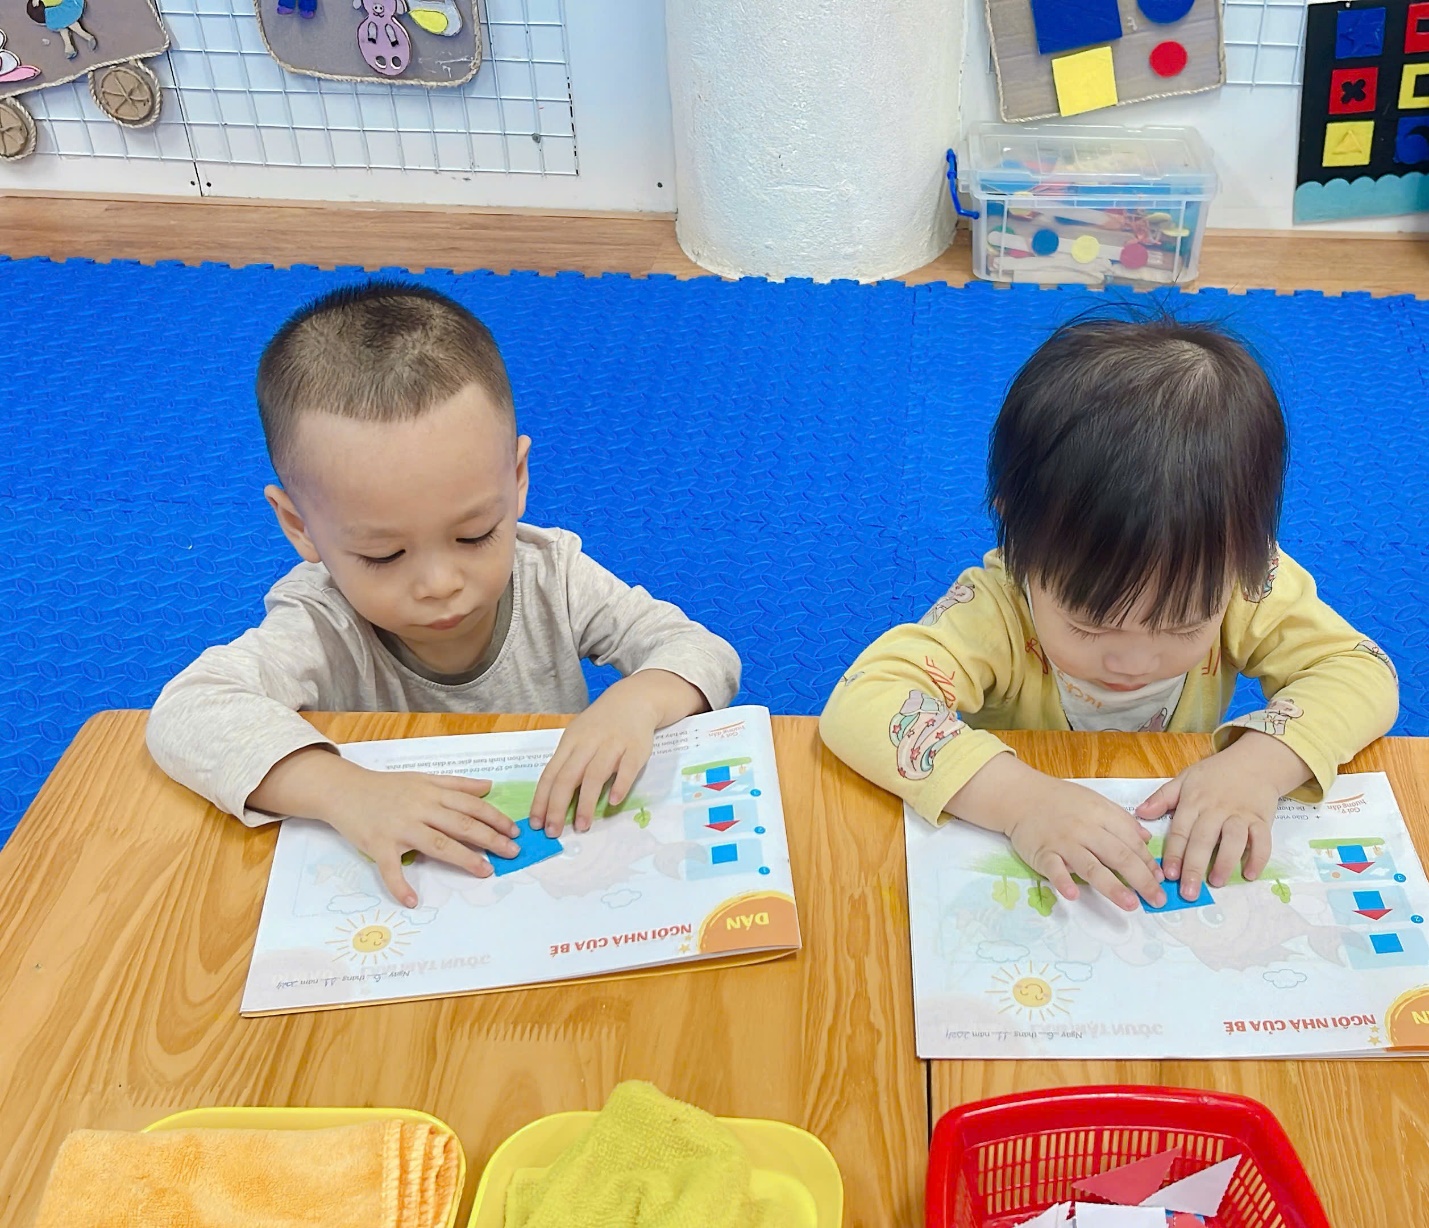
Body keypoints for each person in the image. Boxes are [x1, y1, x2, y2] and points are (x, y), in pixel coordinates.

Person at [147, 281, 740, 907]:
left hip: (556, 869)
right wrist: (345, 790)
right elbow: (187, 712)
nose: (439, 584)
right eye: (384, 555)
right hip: (410, 895)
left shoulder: (550, 575)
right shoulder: (322, 622)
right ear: (300, 526)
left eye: (475, 534)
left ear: (515, 481)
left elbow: (702, 651)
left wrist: (639, 701)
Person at [820, 313, 1398, 912]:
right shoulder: (998, 609)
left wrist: (1259, 768)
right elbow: (864, 702)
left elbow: (1359, 671)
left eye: (1182, 626)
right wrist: (1021, 802)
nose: (1132, 661)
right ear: (1022, 543)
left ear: (1244, 550)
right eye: (1089, 626)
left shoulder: (1242, 580)